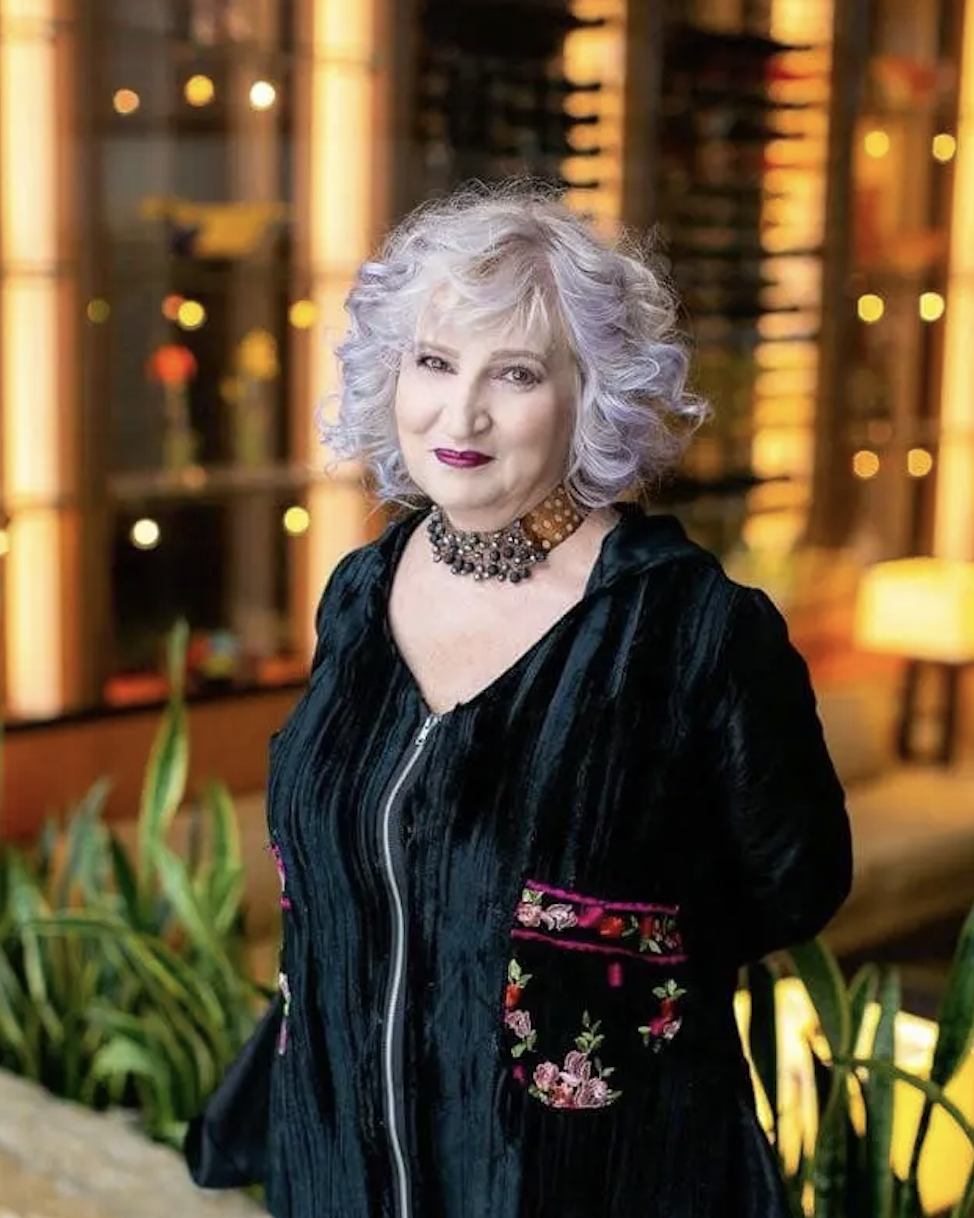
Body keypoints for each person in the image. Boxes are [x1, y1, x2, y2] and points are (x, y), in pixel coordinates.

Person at [185, 183, 852, 1218]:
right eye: (434, 362)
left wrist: (591, 961)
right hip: (339, 1161)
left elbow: (792, 882)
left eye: (517, 373)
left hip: (580, 1171)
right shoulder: (361, 592)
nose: (460, 414)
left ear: (590, 394)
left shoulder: (693, 630)